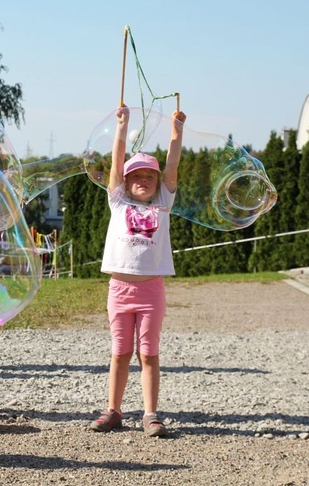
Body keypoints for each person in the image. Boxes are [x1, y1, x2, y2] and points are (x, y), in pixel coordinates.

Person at [90, 106, 186, 437]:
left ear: (158, 183)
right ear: (126, 183)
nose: (142, 180)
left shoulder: (163, 203)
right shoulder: (118, 202)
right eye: (136, 176)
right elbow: (115, 166)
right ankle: (113, 411)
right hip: (119, 289)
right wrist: (122, 126)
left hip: (150, 291)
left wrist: (177, 132)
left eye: (149, 176)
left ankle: (150, 414)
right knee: (119, 353)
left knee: (148, 354)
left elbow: (172, 165)